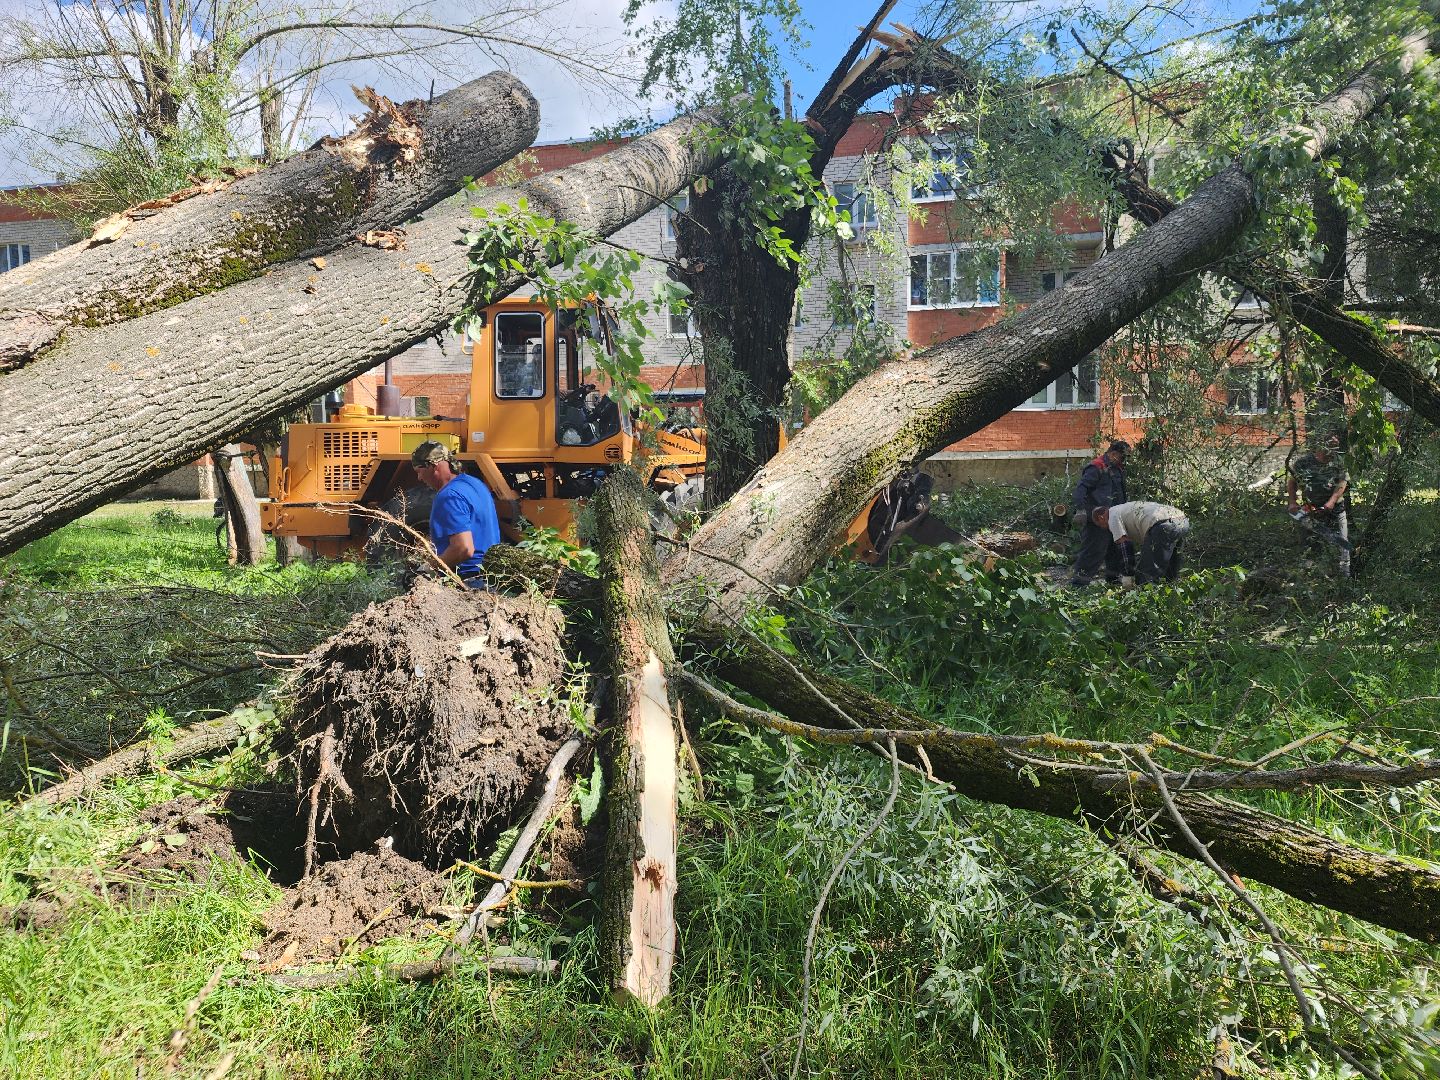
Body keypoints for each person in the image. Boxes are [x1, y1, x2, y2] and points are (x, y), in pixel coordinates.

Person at [410, 440, 501, 586]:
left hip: (468, 581)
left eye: (419, 471)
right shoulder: (475, 484)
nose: (419, 478)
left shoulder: (449, 496)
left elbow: (463, 549)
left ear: (434, 466)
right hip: (491, 578)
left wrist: (429, 568)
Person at [1068, 440, 1131, 587]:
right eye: (1123, 457)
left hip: (1115, 518)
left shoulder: (1117, 468)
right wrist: (1081, 510)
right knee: (1092, 552)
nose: (1125, 461)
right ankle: (1079, 586)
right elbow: (1080, 490)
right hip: (1098, 520)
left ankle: (1113, 582)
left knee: (1115, 551)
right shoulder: (1097, 467)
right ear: (1113, 454)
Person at [1287, 433, 1350, 577]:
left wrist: (1331, 502)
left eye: (1336, 448)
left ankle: (1344, 577)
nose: (1334, 451)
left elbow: (1342, 483)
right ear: (1322, 446)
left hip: (1336, 510)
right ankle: (1310, 577)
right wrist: (1292, 502)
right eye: (1331, 447)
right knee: (1309, 545)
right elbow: (1292, 482)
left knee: (1342, 544)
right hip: (1311, 510)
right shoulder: (1303, 463)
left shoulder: (1338, 462)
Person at [1094, 501, 1190, 584]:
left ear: (1101, 517)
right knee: (1170, 569)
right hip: (1182, 521)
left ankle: (1146, 602)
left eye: (1101, 525)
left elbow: (1125, 547)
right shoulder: (1123, 508)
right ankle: (1171, 598)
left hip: (1163, 525)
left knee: (1146, 575)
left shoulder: (1112, 516)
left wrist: (1128, 575)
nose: (1104, 528)